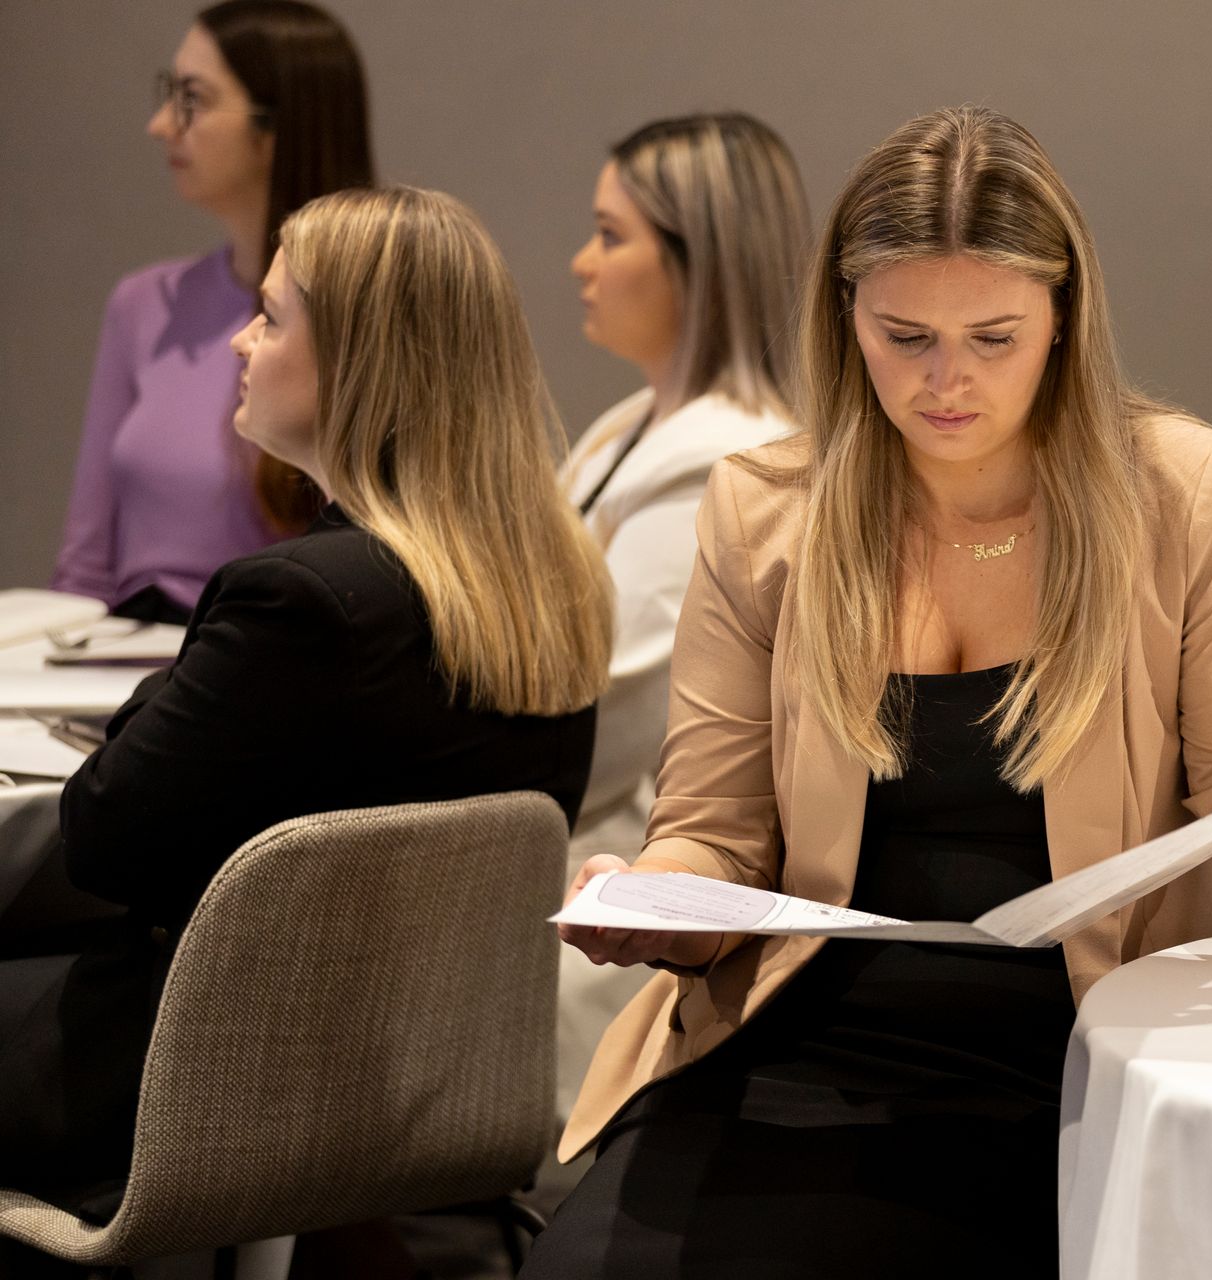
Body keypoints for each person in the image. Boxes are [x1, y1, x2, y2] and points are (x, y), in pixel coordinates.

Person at [523, 107, 1212, 1279]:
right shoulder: (765, 508)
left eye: (993, 337)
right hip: (784, 1041)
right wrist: (651, 899)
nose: (945, 379)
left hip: (1058, 1056)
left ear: (1062, 321)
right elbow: (714, 833)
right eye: (904, 334)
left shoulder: (1185, 492)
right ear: (845, 315)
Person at [0, 185, 612, 1226]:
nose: (241, 340)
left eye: (272, 316)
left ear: (363, 360)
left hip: (190, 1087)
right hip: (400, 1094)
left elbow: (107, 834)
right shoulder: (548, 589)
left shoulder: (305, 603)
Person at [555, 114, 809, 1115]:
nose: (582, 262)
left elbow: (601, 728)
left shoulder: (724, 464)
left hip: (614, 876)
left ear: (698, 264)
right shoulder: (629, 425)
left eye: (611, 236)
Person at [51, 0, 374, 623]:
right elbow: (84, 568)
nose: (161, 125)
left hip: (267, 664)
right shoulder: (145, 303)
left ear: (277, 124)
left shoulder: (363, 312)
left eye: (192, 99)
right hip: (120, 667)